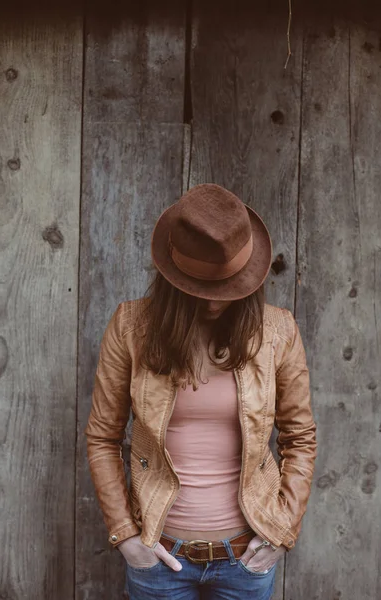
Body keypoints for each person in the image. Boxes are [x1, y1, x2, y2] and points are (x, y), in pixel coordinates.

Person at [84, 183, 317, 600]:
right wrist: (127, 537)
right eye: (200, 287)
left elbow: (300, 437)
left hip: (246, 560)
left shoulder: (277, 331)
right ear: (173, 276)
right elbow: (103, 436)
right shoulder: (131, 327)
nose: (214, 302)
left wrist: (282, 530)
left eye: (227, 286)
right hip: (160, 560)